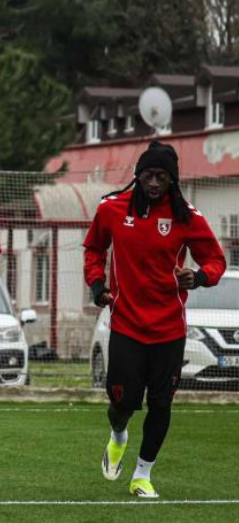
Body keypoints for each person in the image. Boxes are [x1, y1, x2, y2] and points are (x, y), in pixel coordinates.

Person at [84, 141, 225, 498]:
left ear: (173, 181)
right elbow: (94, 248)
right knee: (121, 402)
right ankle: (118, 436)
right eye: (149, 175)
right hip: (127, 325)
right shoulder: (112, 209)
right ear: (138, 175)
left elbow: (215, 260)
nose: (155, 183)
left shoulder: (187, 217)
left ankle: (142, 475)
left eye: (163, 177)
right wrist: (97, 285)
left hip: (169, 329)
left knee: (161, 404)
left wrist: (200, 276)